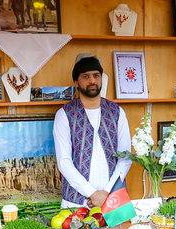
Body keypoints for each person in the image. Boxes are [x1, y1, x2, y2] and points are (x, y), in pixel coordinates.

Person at [53, 54, 132, 209]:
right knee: (75, 226)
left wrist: (107, 193)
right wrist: (92, 193)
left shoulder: (117, 112)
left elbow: (126, 157)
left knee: (121, 227)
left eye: (96, 75)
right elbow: (64, 162)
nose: (92, 81)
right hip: (77, 201)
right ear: (76, 82)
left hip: (114, 197)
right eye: (85, 76)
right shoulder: (64, 114)